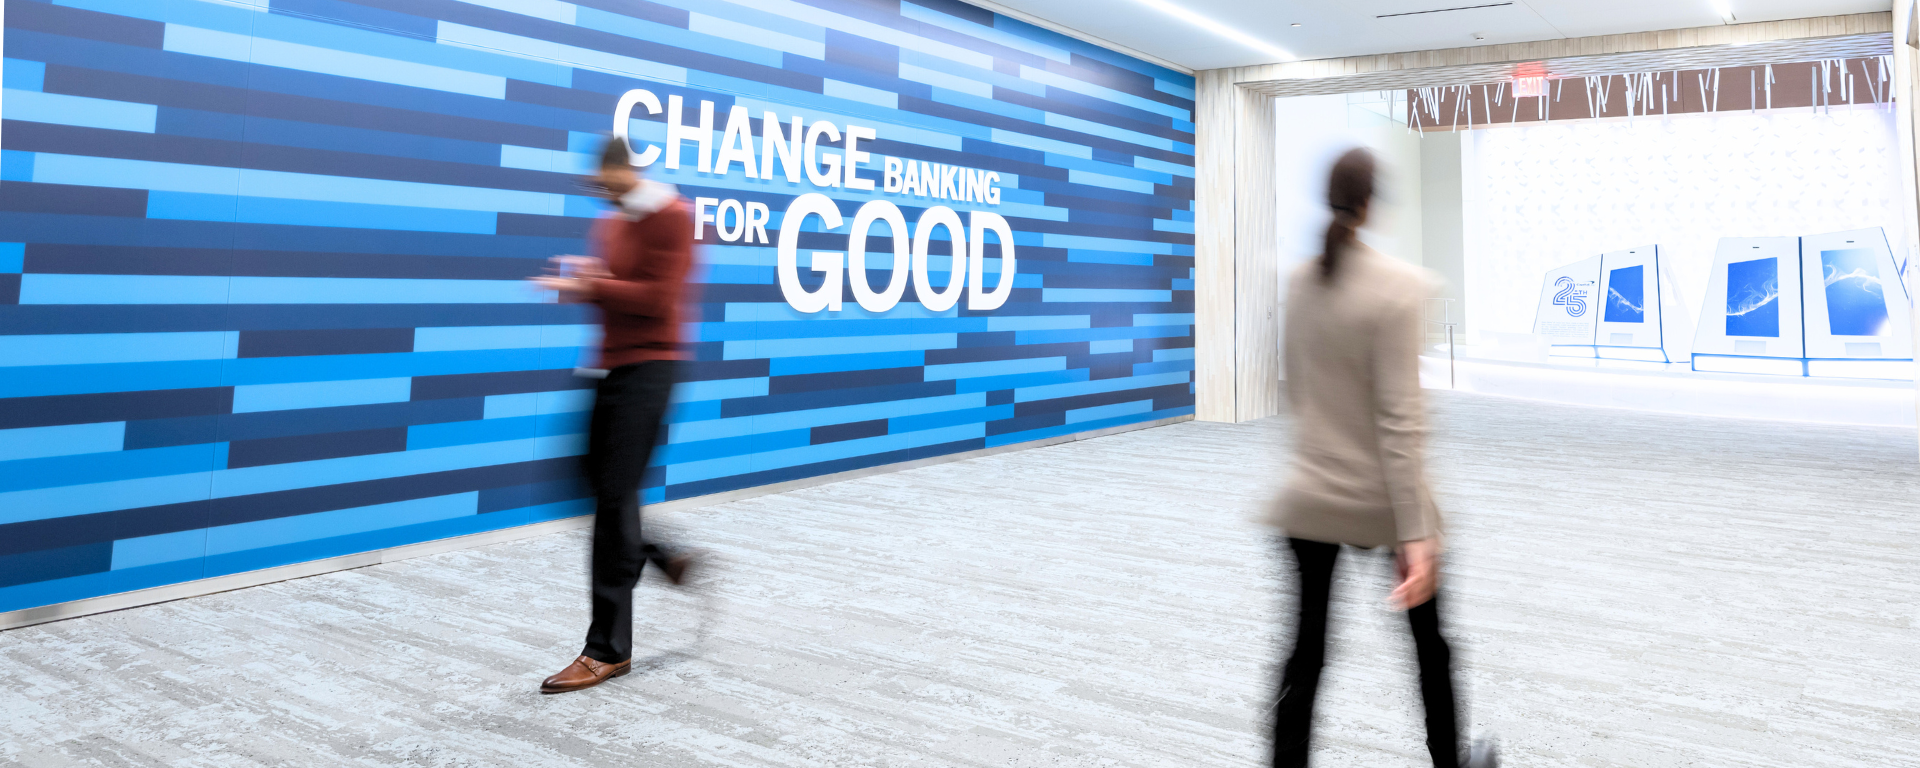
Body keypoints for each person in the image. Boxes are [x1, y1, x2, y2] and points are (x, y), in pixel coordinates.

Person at [1269, 148, 1496, 768]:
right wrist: (1417, 534)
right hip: (1382, 503)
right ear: (1371, 205)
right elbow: (1400, 422)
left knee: (1306, 652)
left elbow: (1298, 393)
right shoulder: (1401, 289)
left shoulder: (1298, 282)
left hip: (1309, 495)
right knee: (1431, 650)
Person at [530, 135, 699, 695]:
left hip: (653, 368)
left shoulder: (673, 217)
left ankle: (606, 651)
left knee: (611, 501)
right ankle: (663, 556)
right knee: (590, 480)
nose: (602, 194)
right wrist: (581, 285)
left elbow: (656, 299)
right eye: (596, 186)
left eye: (609, 182)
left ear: (630, 170)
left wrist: (595, 284)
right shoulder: (611, 221)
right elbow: (611, 290)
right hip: (606, 367)